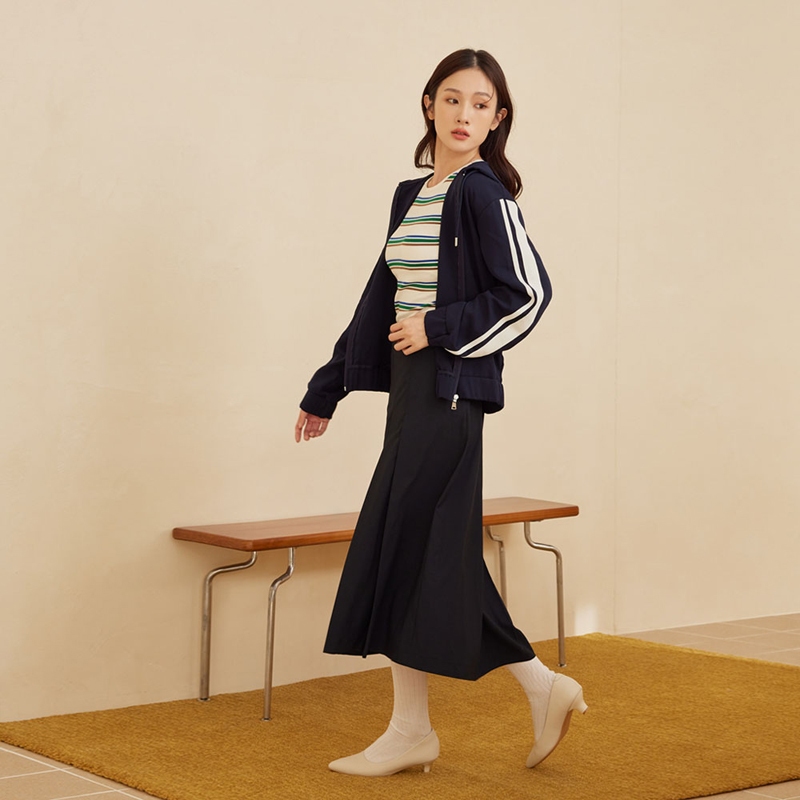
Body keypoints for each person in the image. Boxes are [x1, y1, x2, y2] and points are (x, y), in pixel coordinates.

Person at [294, 48, 586, 777]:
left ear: (498, 117)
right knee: (424, 549)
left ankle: (422, 728)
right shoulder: (413, 194)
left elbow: (528, 293)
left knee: (413, 545)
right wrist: (327, 387)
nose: (463, 115)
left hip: (449, 394)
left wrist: (439, 327)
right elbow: (380, 296)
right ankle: (509, 697)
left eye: (480, 104)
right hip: (413, 390)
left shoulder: (484, 193)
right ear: (429, 105)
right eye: (452, 99)